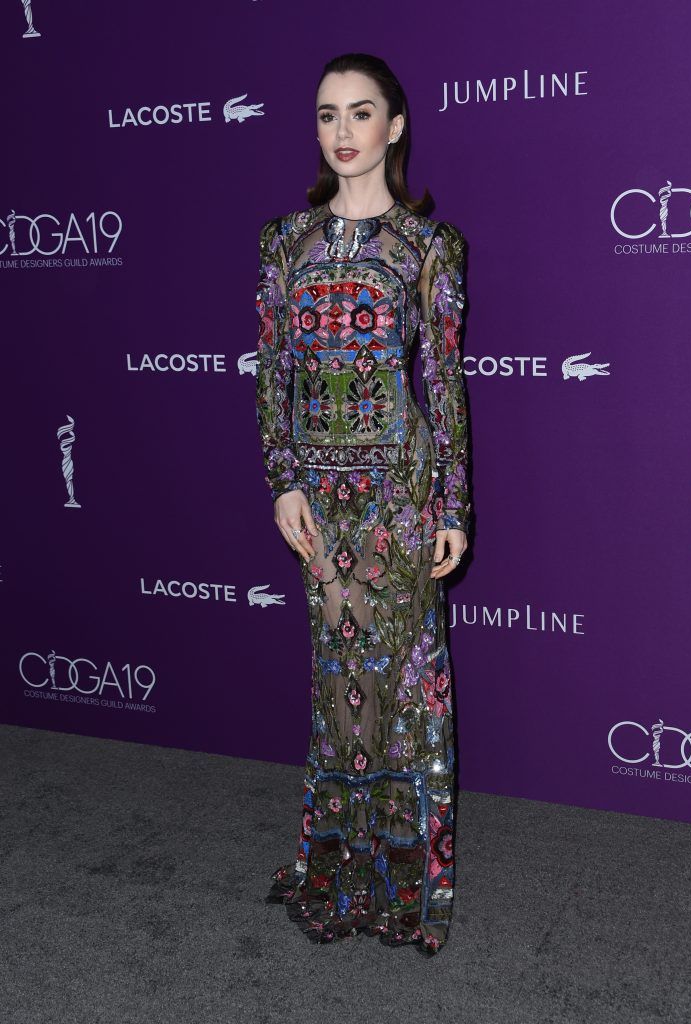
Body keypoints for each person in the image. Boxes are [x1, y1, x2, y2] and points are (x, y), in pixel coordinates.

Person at [255, 52, 472, 956]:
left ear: (396, 126)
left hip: (400, 490)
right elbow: (275, 374)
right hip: (324, 505)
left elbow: (446, 383)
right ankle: (339, 865)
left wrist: (453, 503)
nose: (342, 132)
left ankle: (406, 880)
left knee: (407, 687)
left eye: (360, 113)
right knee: (338, 689)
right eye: (326, 115)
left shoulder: (430, 247)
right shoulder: (283, 243)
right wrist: (285, 480)